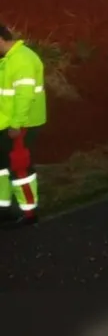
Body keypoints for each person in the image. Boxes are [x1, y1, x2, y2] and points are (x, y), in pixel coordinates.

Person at [0, 24, 46, 227]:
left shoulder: (22, 60)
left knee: (19, 167)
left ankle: (28, 213)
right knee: (2, 166)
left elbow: (24, 96)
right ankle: (3, 207)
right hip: (6, 122)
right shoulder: (7, 60)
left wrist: (16, 124)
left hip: (21, 124)